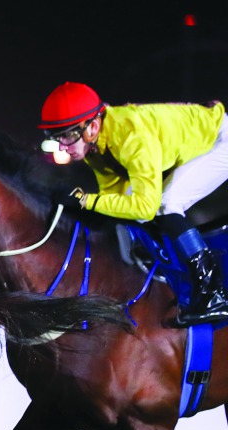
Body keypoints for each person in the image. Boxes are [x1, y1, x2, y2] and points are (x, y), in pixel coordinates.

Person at [38, 81, 228, 326]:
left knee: (167, 204)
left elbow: (146, 207)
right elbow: (112, 196)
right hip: (195, 141)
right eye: (56, 137)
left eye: (67, 135)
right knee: (132, 203)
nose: (63, 145)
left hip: (219, 140)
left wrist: (86, 200)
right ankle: (160, 263)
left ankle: (214, 294)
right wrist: (86, 206)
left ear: (92, 126)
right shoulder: (94, 146)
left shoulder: (131, 135)